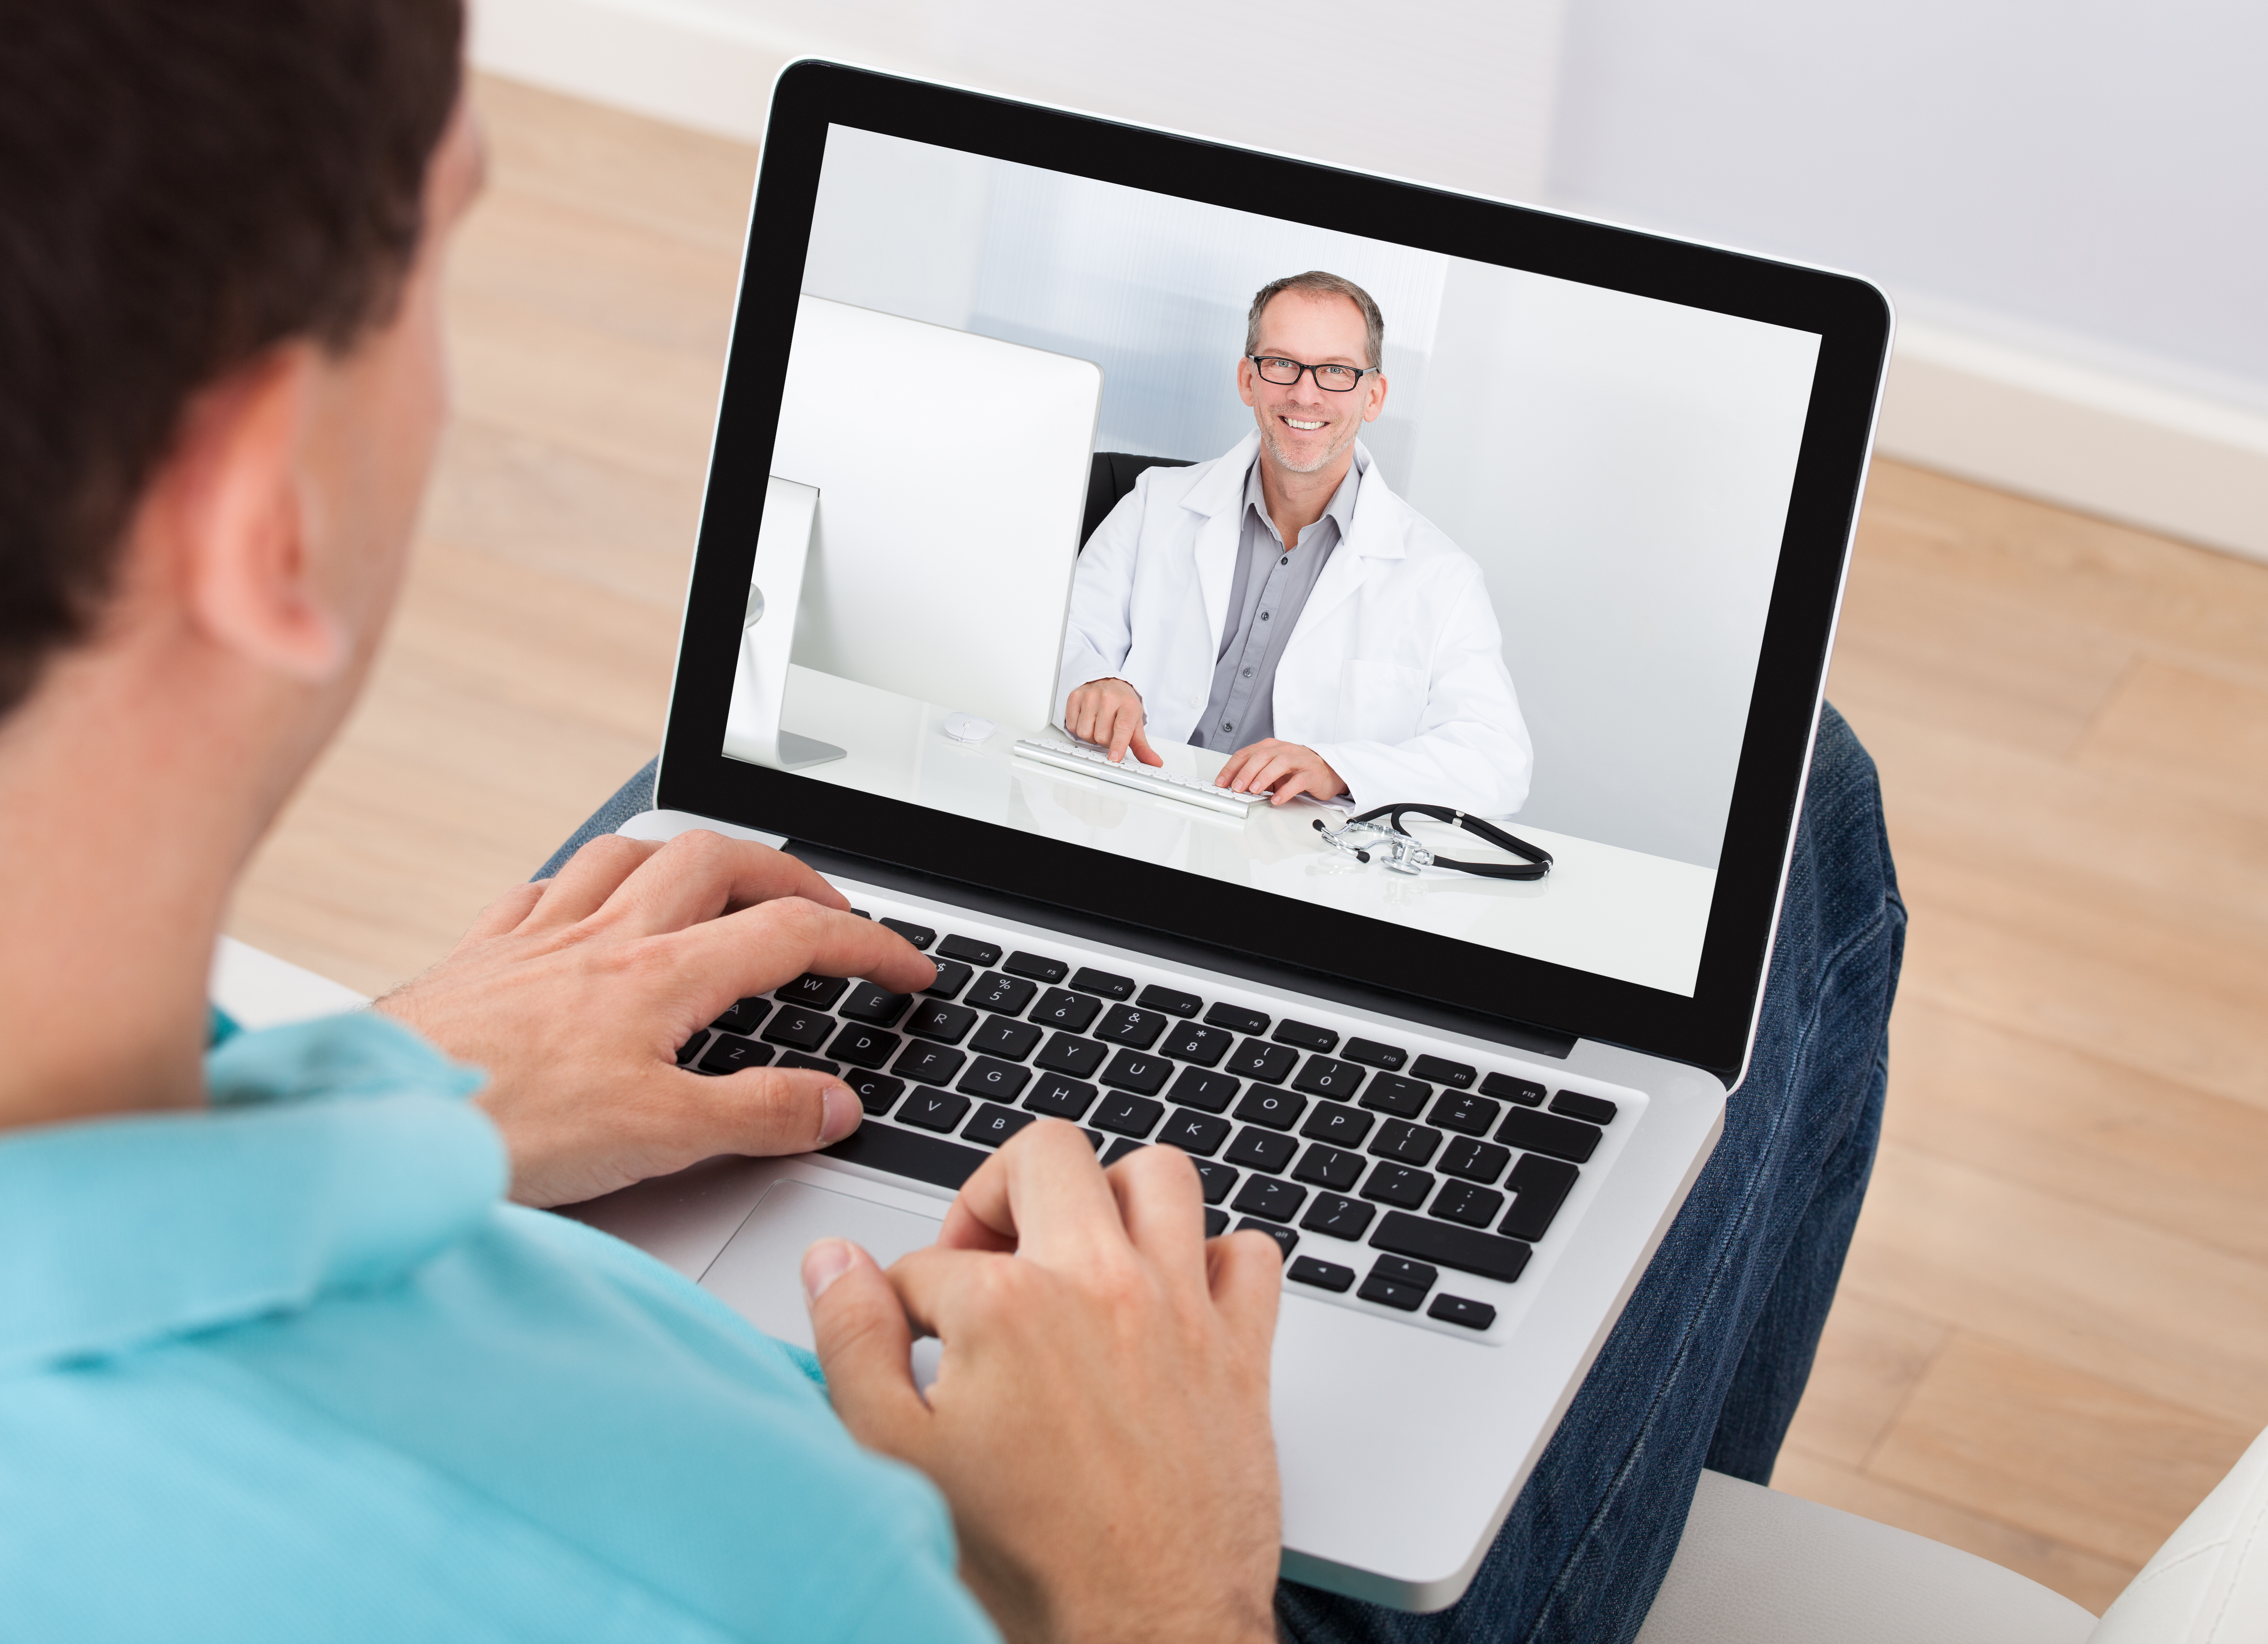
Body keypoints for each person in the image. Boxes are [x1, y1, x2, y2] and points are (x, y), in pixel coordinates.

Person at [0, 5, 1905, 1642]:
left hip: (467, 1178)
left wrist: (376, 1088)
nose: (1309, 398)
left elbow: (1469, 747)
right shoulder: (748, 1577)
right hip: (1045, 1541)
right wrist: (1156, 1587)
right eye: (444, 257)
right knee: (1798, 792)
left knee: (733, 851)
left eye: (1342, 375)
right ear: (261, 512)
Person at [1055, 271, 1532, 816]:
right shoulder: (1153, 504)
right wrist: (1092, 680)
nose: (1305, 394)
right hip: (1125, 810)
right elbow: (1057, 637)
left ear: (1372, 395)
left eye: (1335, 371)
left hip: (1291, 859)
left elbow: (1497, 762)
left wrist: (1339, 768)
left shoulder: (1442, 579)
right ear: (1247, 380)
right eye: (1281, 364)